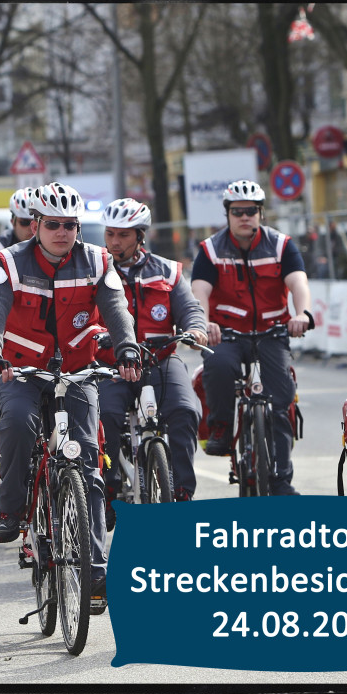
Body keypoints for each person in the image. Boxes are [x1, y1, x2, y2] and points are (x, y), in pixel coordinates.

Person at [0, 182, 141, 611]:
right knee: (15, 422)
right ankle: (11, 511)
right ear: (35, 225)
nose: (63, 232)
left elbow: (117, 309)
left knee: (87, 457)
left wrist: (127, 348)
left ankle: (95, 571)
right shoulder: (7, 263)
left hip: (76, 370)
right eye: (53, 224)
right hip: (20, 370)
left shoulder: (97, 260)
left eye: (71, 225)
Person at [190, 179, 313, 496]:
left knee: (282, 400)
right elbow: (199, 292)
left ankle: (281, 479)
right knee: (218, 366)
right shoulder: (210, 250)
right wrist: (204, 324)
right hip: (227, 333)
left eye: (251, 211)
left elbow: (298, 283)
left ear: (260, 213)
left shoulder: (281, 245)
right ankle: (220, 425)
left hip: (272, 332)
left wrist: (303, 314)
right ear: (228, 214)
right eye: (237, 211)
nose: (245, 217)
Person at [95, 198, 208, 514]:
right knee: (106, 417)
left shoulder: (168, 271)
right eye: (110, 234)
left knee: (186, 411)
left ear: (140, 236)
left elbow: (190, 309)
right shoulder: (93, 270)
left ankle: (182, 493)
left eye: (124, 235)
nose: (115, 242)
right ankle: (109, 487)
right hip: (110, 363)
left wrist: (196, 330)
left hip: (161, 358)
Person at [0, 187, 37, 314]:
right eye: (25, 222)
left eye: (35, 222)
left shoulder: (51, 245)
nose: (31, 228)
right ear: (12, 222)